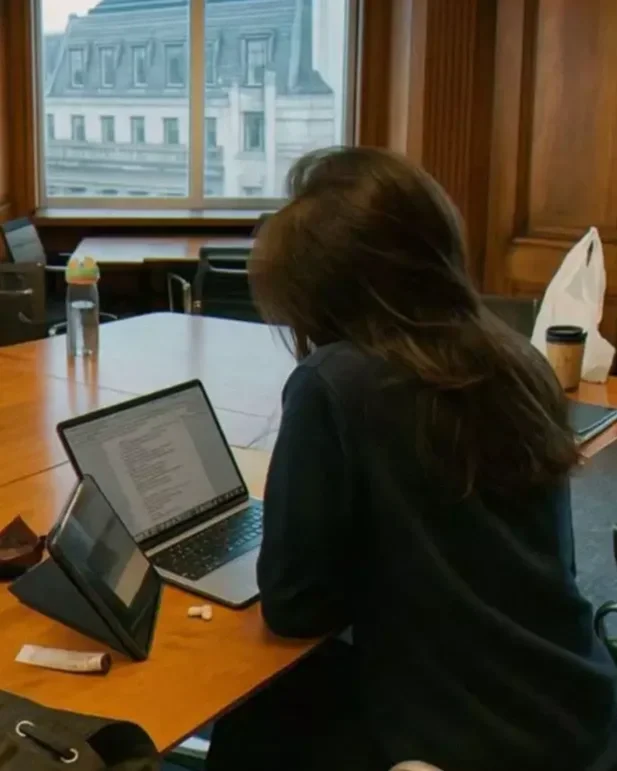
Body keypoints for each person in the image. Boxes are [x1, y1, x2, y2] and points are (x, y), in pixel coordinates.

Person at [204, 147, 617, 771]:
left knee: (252, 723)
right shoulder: (519, 360)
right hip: (576, 708)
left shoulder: (334, 381)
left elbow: (294, 607)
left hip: (467, 739)